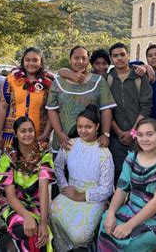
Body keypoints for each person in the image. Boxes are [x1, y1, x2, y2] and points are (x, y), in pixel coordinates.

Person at [97, 118, 156, 251]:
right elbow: (121, 189)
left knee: (131, 243)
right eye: (140, 135)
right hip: (134, 209)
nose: (145, 139)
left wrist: (128, 226)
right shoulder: (132, 158)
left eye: (150, 134)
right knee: (106, 225)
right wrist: (110, 213)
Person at [51, 104, 115, 251]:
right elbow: (58, 167)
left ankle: (84, 247)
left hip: (93, 196)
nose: (83, 131)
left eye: (88, 127)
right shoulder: (70, 144)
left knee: (80, 235)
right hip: (70, 191)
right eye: (80, 126)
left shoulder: (104, 152)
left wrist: (82, 195)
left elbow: (106, 188)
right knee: (53, 211)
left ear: (97, 126)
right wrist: (64, 186)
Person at [0, 117, 54, 251]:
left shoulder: (43, 154)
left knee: (42, 236)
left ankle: (12, 246)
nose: (27, 134)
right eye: (23, 131)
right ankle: (12, 245)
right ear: (15, 134)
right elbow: (10, 196)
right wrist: (27, 216)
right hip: (11, 205)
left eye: (30, 130)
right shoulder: (7, 157)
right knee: (25, 229)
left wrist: (44, 223)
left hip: (35, 204)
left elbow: (44, 189)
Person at [46, 45, 116, 154]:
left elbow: (106, 109)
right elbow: (52, 110)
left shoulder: (98, 81)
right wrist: (60, 134)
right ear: (70, 60)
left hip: (92, 141)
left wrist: (105, 134)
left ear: (88, 61)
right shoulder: (58, 82)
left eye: (84, 58)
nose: (80, 61)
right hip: (64, 140)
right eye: (76, 58)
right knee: (62, 169)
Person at [106, 42, 152, 183]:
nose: (119, 58)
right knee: (118, 176)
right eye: (115, 56)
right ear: (111, 59)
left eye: (122, 54)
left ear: (128, 56)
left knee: (140, 176)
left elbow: (146, 107)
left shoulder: (139, 77)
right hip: (116, 137)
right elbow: (106, 108)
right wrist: (120, 133)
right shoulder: (107, 79)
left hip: (139, 135)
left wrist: (133, 133)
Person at [0, 47, 54, 149]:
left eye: (35, 60)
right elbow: (3, 106)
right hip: (11, 135)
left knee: (37, 164)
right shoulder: (11, 79)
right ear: (23, 61)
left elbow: (52, 111)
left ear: (41, 62)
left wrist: (45, 134)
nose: (31, 63)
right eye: (27, 60)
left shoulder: (48, 83)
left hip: (38, 136)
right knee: (11, 163)